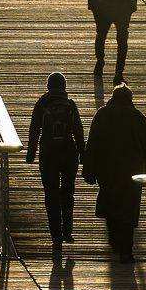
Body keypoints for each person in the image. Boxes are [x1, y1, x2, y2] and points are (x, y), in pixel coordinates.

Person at [82, 83, 146, 263]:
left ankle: (114, 239)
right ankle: (126, 250)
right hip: (132, 169)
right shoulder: (137, 116)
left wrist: (88, 168)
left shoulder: (101, 114)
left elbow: (92, 143)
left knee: (110, 201)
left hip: (106, 168)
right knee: (129, 209)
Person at [26, 72, 85, 257]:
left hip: (48, 154)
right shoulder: (70, 105)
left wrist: (31, 154)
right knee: (68, 191)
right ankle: (67, 230)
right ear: (64, 87)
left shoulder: (41, 104)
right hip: (68, 153)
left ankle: (56, 239)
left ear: (48, 86)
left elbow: (34, 130)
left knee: (51, 194)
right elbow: (78, 131)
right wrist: (83, 154)